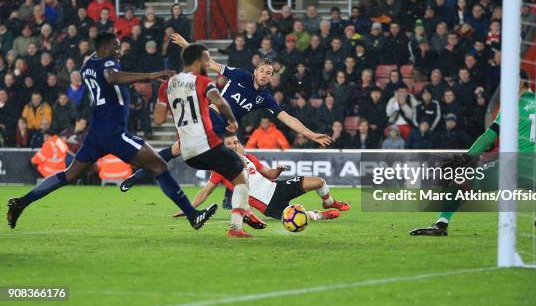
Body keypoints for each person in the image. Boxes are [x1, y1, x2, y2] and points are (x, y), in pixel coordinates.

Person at [7, 33, 216, 232]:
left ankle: (21, 202)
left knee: (69, 174)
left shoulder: (87, 64)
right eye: (116, 46)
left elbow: (105, 73)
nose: (119, 51)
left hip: (97, 131)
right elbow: (111, 76)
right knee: (159, 166)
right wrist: (152, 75)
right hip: (114, 132)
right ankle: (193, 215)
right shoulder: (108, 63)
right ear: (105, 48)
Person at [119, 33, 331, 207]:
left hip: (226, 131)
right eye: (263, 71)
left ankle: (235, 203)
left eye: (270, 73)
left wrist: (311, 135)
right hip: (209, 118)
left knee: (236, 160)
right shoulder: (239, 75)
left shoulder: (265, 98)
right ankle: (137, 176)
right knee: (178, 150)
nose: (266, 75)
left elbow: (289, 119)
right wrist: (186, 45)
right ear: (255, 70)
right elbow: (208, 62)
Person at [410, 70, 536, 236]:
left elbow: (490, 135)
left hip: (511, 167)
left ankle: (441, 224)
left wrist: (466, 157)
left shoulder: (514, 105)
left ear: (520, 82)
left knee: (461, 181)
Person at [150, 43, 263, 237]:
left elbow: (159, 120)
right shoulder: (202, 81)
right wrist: (232, 121)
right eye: (205, 59)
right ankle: (236, 226)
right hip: (207, 144)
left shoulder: (166, 85)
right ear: (196, 63)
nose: (207, 63)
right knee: (242, 174)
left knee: (234, 174)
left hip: (188, 152)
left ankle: (245, 214)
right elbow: (219, 101)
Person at [174, 133, 350, 220]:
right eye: (229, 144)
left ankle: (329, 202)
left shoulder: (249, 158)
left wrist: (278, 170)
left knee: (319, 181)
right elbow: (206, 191)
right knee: (298, 218)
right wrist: (189, 209)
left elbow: (269, 174)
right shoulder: (221, 168)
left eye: (236, 142)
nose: (234, 145)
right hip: (269, 205)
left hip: (279, 187)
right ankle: (323, 215)